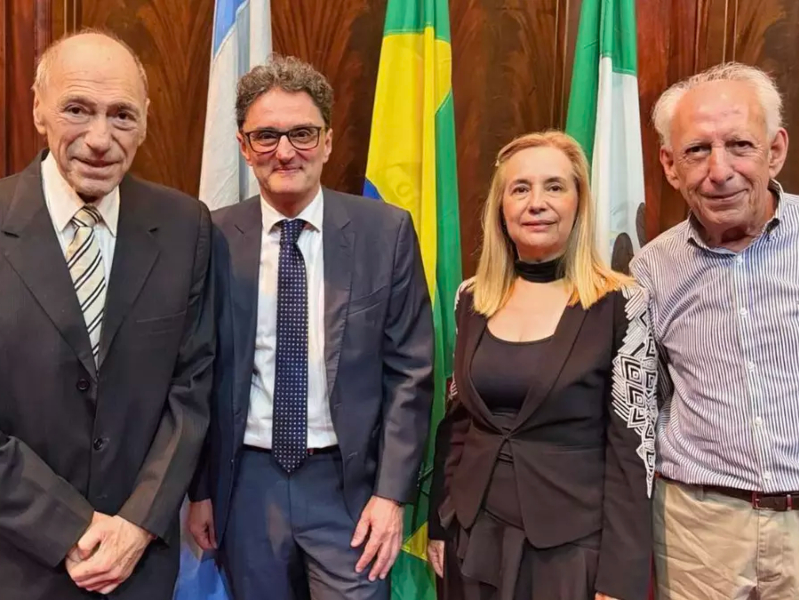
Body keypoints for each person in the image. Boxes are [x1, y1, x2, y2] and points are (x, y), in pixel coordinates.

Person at [187, 55, 434, 600]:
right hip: (247, 486)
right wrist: (200, 490)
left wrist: (391, 495)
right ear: (244, 145)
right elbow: (197, 373)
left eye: (301, 133)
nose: (285, 151)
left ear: (327, 141)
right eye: (266, 136)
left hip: (350, 488)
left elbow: (411, 375)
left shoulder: (385, 232)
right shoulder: (211, 237)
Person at [0, 31, 214, 600]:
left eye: (121, 115)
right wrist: (67, 527)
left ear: (145, 122)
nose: (100, 139)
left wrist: (138, 523)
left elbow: (192, 387)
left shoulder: (186, 226)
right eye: (77, 109)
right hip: (16, 561)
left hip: (139, 562)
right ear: (38, 109)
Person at [427, 131, 657, 600]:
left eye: (554, 187)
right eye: (520, 188)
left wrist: (622, 578)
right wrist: (438, 520)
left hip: (569, 551)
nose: (537, 203)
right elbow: (458, 422)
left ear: (579, 202)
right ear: (501, 208)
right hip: (472, 537)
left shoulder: (621, 303)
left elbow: (633, 448)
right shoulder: (472, 298)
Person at [631, 62, 796, 599]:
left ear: (775, 150)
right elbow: (644, 402)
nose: (719, 171)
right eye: (697, 150)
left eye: (740, 145)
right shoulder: (651, 270)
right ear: (670, 165)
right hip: (698, 532)